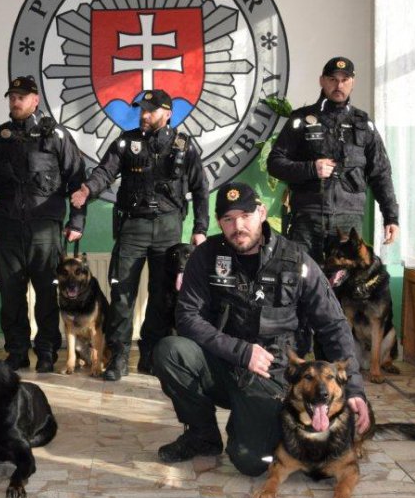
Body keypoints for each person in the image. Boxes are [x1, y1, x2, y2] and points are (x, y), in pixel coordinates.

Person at [152, 182, 369, 476]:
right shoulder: (206, 256)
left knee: (251, 462)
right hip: (222, 363)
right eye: (228, 219)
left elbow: (333, 325)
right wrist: (241, 351)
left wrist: (353, 387)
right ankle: (202, 436)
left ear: (262, 213)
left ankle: (249, 420)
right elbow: (187, 317)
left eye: (245, 216)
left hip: (272, 374)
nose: (238, 226)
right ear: (219, 222)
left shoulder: (296, 260)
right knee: (170, 351)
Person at [70, 89, 209, 380]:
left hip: (169, 228)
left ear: (167, 113)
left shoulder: (184, 146)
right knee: (122, 294)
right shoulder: (126, 142)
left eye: (150, 110)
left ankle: (151, 355)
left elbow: (200, 189)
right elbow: (104, 172)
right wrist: (87, 189)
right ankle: (119, 357)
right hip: (133, 227)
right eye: (142, 109)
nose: (144, 115)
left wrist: (200, 229)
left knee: (162, 296)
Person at [0, 75, 86, 373]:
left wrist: (77, 221)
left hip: (45, 231)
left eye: (21, 97)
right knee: (11, 296)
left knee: (47, 295)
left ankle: (46, 352)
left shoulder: (56, 136)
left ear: (35, 100)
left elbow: (76, 179)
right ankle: (17, 352)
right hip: (8, 230)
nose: (15, 101)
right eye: (12, 97)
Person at [267, 57, 399, 263]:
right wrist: (311, 169)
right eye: (333, 79)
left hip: (348, 222)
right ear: (322, 81)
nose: (339, 85)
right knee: (302, 276)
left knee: (345, 279)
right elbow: (275, 163)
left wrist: (391, 217)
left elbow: (381, 172)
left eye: (345, 80)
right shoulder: (301, 120)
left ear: (353, 82)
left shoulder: (363, 124)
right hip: (307, 218)